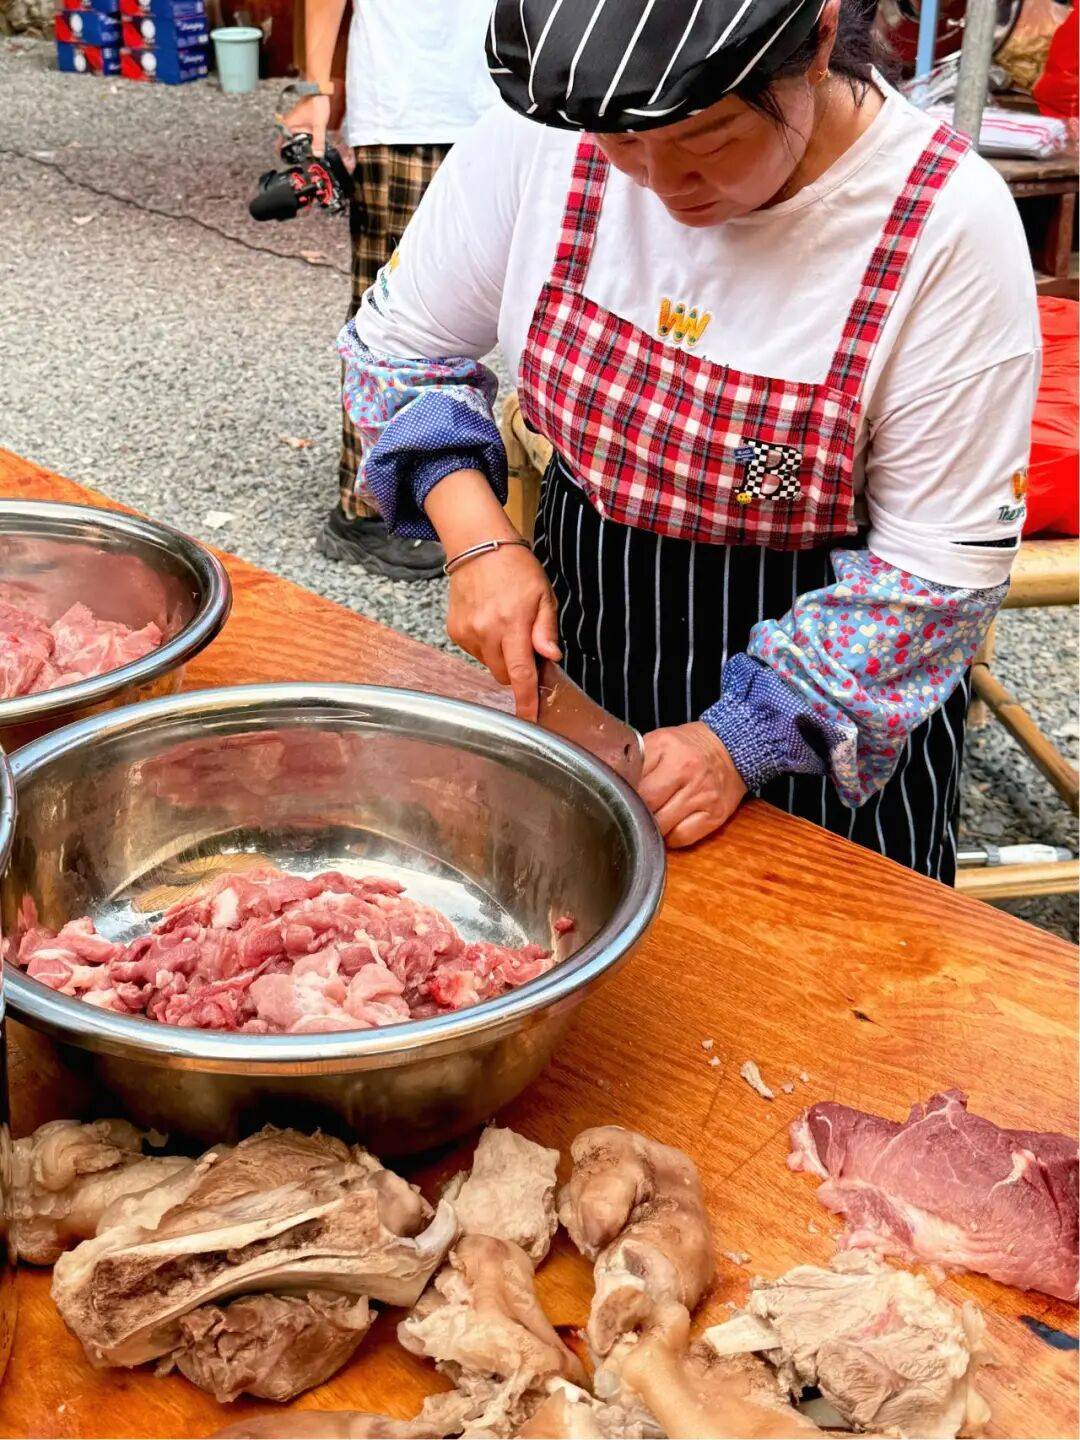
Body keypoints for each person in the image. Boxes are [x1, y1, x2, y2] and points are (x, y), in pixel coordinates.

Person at [338, 0, 1040, 880]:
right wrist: (478, 541)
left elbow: (936, 574)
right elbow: (398, 351)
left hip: (833, 704)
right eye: (622, 148)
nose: (663, 188)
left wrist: (738, 741)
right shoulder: (552, 129)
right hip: (592, 629)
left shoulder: (944, 222)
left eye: (707, 141)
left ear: (819, 40)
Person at [283, 0, 496, 580]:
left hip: (506, 106)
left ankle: (446, 488)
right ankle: (365, 510)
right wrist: (316, 91)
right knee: (394, 321)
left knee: (502, 309)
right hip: (408, 111)